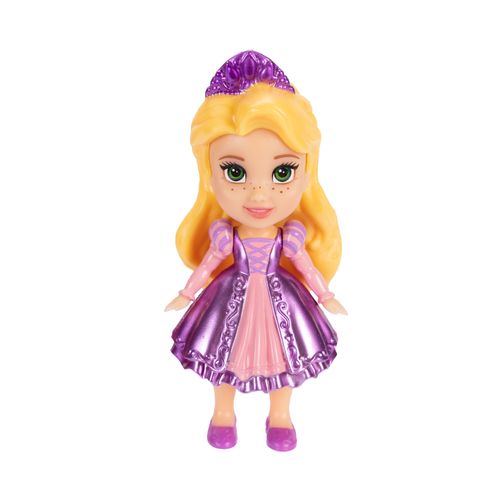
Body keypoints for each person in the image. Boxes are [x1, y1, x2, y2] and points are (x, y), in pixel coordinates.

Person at [165, 50, 347, 451]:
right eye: (235, 172)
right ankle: (223, 412)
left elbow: (305, 267)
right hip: (231, 295)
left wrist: (325, 295)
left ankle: (279, 414)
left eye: (282, 172)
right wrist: (187, 293)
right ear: (210, 175)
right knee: (223, 353)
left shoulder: (291, 236)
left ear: (306, 173)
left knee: (284, 356)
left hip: (281, 298)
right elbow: (209, 264)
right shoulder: (223, 235)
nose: (259, 194)